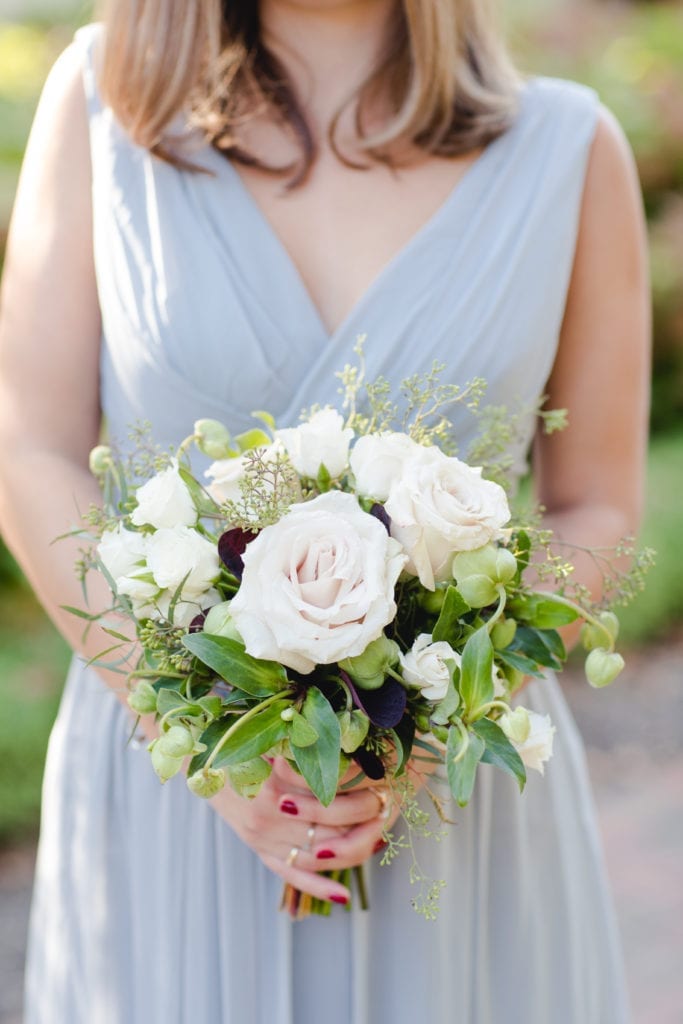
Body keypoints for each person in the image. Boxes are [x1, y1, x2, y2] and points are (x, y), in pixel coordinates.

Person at [0, 1, 650, 1021]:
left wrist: (430, 732)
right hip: (176, 790)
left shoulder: (566, 151)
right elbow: (27, 446)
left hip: (451, 806)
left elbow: (596, 500)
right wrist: (211, 741)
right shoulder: (104, 106)